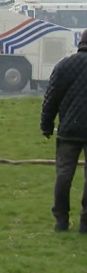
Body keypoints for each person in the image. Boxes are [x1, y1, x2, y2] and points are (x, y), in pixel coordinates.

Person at [41, 29, 87, 232]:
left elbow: (51, 98)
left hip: (69, 129)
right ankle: (85, 223)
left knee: (64, 175)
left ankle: (61, 220)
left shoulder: (64, 65)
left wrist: (47, 125)